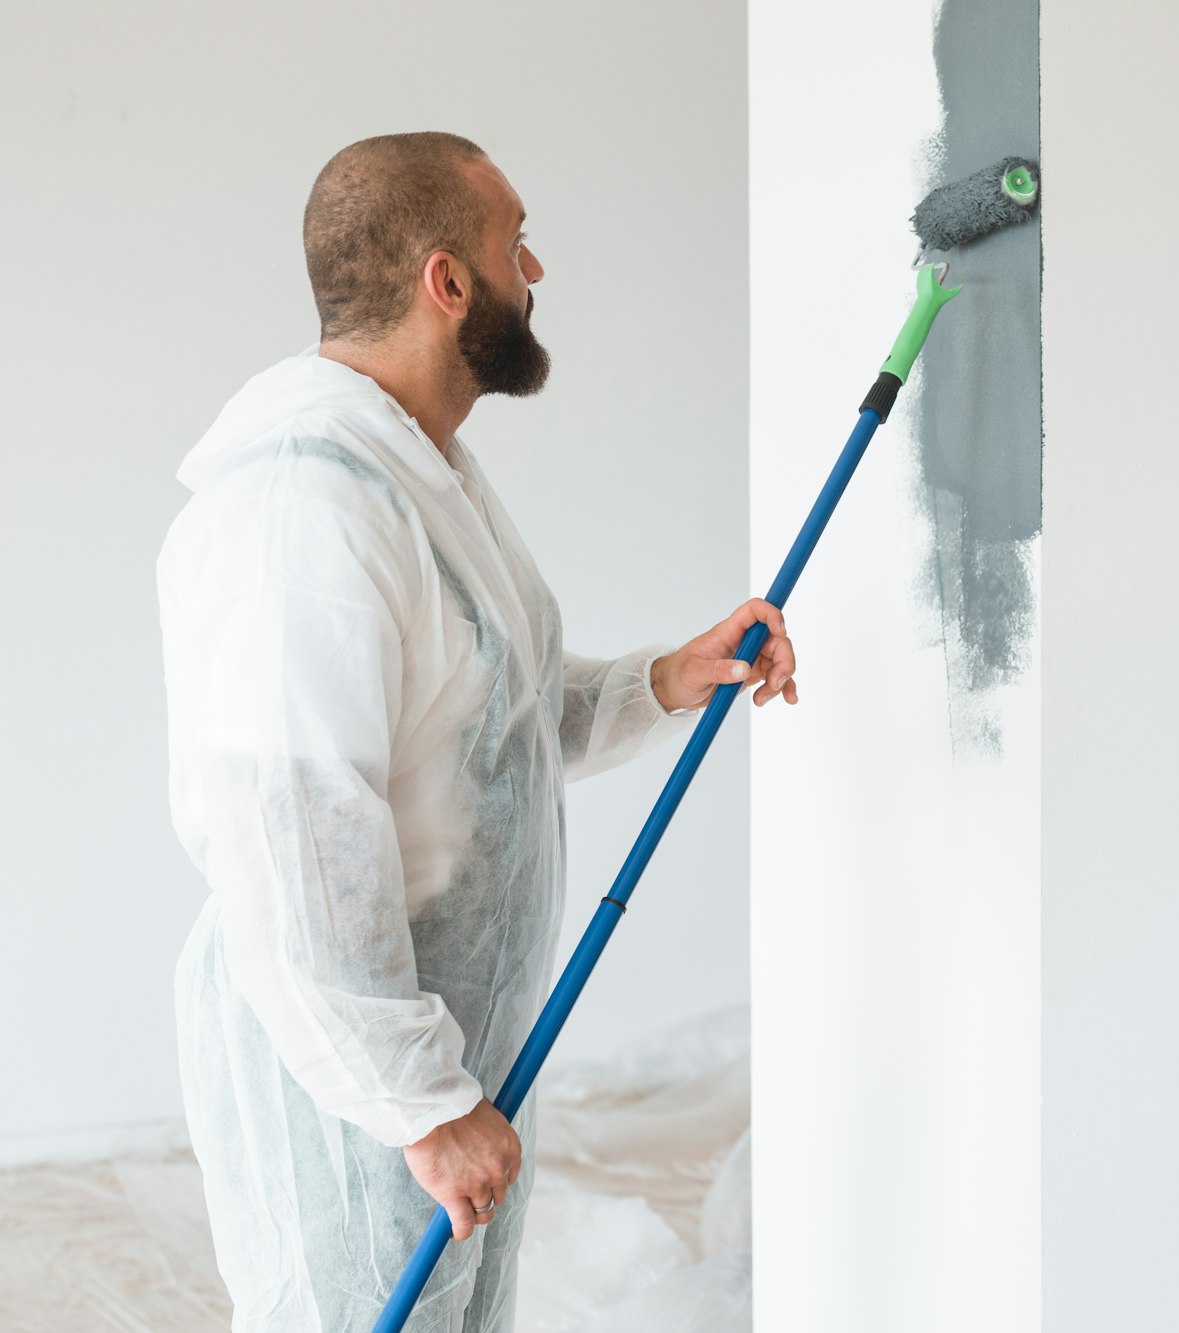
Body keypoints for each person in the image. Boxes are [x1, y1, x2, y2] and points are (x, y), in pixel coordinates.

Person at [157, 132, 795, 1331]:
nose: (535, 265)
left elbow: (477, 729)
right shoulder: (306, 509)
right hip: (355, 1078)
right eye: (515, 244)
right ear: (448, 283)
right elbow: (293, 846)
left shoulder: (418, 475)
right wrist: (419, 1104)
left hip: (440, 1049)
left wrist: (666, 678)